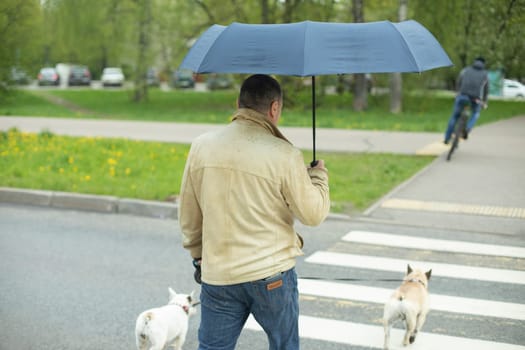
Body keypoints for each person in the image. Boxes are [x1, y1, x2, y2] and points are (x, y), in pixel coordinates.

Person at [178, 74, 330, 350]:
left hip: (219, 275)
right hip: (271, 276)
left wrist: (199, 256)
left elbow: (189, 214)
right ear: (274, 108)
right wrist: (318, 177)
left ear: (238, 103)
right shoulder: (285, 154)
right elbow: (313, 214)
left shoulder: (202, 146)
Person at [444, 56, 489, 144]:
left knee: (455, 116)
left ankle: (447, 138)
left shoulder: (465, 70)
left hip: (462, 96)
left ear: (474, 62)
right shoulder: (485, 74)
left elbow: (459, 81)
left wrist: (457, 93)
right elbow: (486, 90)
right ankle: (467, 129)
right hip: (475, 99)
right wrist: (484, 102)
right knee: (476, 113)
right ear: (484, 64)